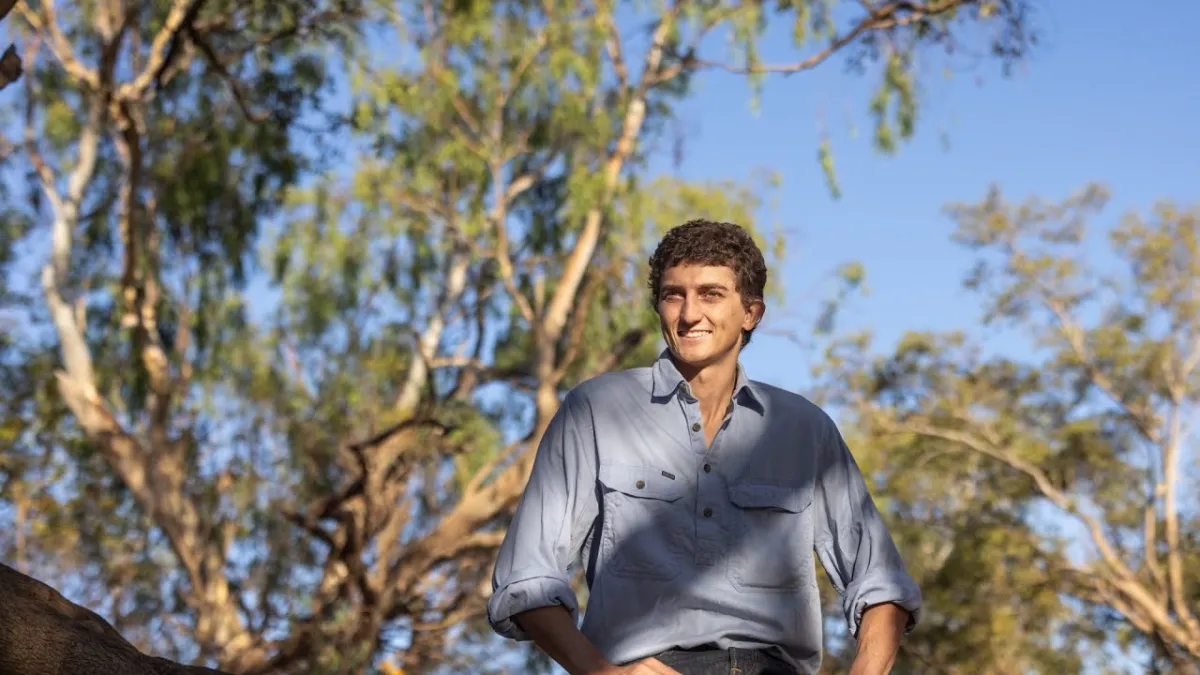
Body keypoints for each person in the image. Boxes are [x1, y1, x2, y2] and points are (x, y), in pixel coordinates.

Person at [487, 220, 922, 675]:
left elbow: (882, 583)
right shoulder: (595, 410)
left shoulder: (804, 430)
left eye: (711, 294)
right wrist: (602, 673)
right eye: (674, 294)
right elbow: (526, 579)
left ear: (751, 313)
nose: (690, 313)